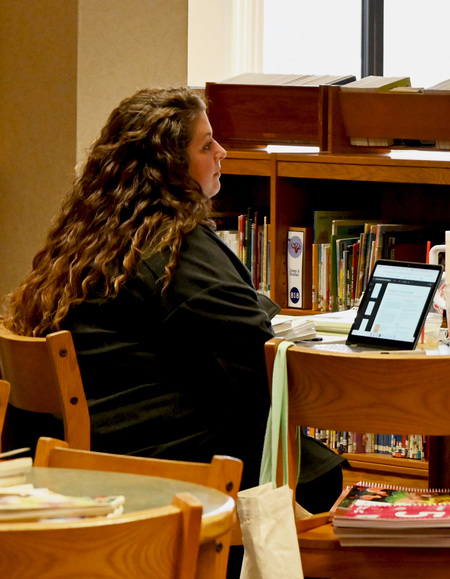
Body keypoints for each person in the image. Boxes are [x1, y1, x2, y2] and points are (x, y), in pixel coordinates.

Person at [0, 88, 342, 504]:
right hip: (160, 464)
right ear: (166, 166)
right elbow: (255, 359)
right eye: (205, 145)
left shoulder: (87, 240)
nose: (221, 152)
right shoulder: (171, 250)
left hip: (84, 459)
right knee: (322, 475)